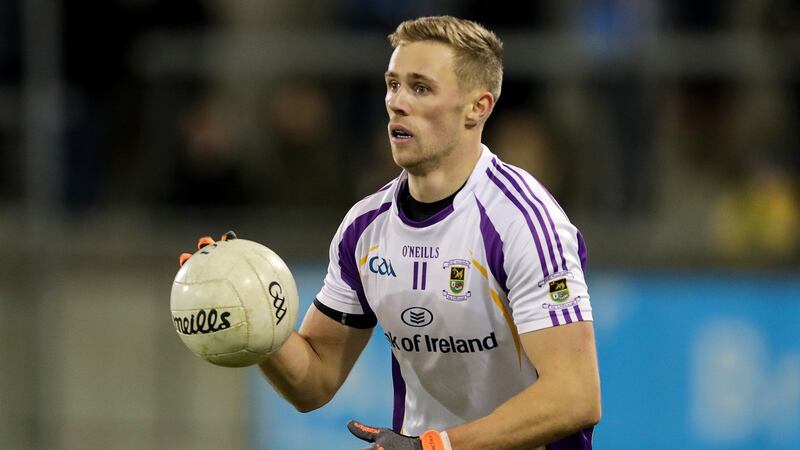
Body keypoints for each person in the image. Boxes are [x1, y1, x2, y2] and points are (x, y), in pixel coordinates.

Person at [185, 15, 601, 449]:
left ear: (478, 107)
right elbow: (315, 381)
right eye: (393, 84)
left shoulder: (522, 221)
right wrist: (253, 312)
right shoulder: (365, 228)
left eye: (420, 88)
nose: (397, 102)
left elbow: (575, 396)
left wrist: (437, 446)